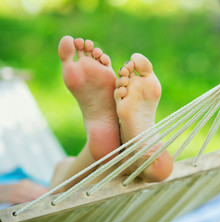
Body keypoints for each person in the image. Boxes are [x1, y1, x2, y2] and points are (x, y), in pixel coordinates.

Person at [0, 35, 174, 203]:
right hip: (19, 202)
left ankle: (109, 156)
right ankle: (127, 162)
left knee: (59, 179)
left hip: (30, 196)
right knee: (54, 189)